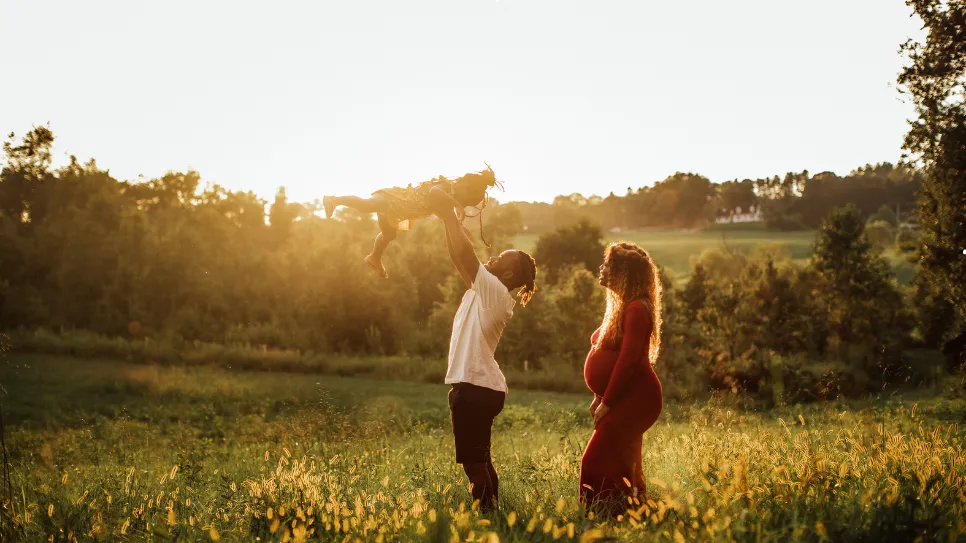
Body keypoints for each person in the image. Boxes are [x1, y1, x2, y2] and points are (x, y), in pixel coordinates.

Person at [427, 185, 536, 513]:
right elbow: (459, 256)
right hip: (480, 387)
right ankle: (496, 516)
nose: (491, 258)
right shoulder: (487, 290)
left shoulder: (495, 293)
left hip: (476, 389)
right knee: (482, 461)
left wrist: (447, 212)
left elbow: (466, 256)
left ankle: (487, 521)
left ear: (508, 273)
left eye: (498, 258)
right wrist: (447, 218)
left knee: (474, 465)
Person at [579, 241, 664, 516]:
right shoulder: (623, 307)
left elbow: (628, 361)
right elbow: (612, 356)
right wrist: (599, 395)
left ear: (623, 273)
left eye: (608, 265)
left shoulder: (637, 309)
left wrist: (608, 401)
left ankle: (594, 517)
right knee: (625, 460)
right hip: (624, 395)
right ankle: (631, 512)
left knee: (593, 460)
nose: (601, 269)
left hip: (637, 398)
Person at [322, 166, 501, 279]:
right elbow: (434, 194)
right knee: (366, 205)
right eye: (465, 200)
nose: (463, 204)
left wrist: (460, 227)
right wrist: (456, 206)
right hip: (393, 198)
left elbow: (444, 215)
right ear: (464, 187)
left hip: (397, 211)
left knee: (389, 234)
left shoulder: (448, 199)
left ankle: (374, 257)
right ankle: (333, 200)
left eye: (466, 204)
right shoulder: (446, 186)